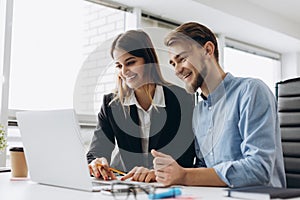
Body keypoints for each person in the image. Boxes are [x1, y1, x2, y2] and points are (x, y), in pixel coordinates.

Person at [152, 22, 286, 188]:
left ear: (208, 50)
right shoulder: (199, 111)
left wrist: (185, 175)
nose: (177, 70)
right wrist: (164, 174)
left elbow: (258, 169)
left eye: (182, 59)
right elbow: (204, 169)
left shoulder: (251, 91)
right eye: (173, 63)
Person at [87, 30, 195, 183]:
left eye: (130, 62)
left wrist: (156, 173)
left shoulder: (181, 99)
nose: (124, 72)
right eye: (118, 65)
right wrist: (96, 162)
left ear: (148, 61)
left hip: (165, 185)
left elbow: (186, 158)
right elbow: (96, 151)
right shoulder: (112, 104)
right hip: (125, 184)